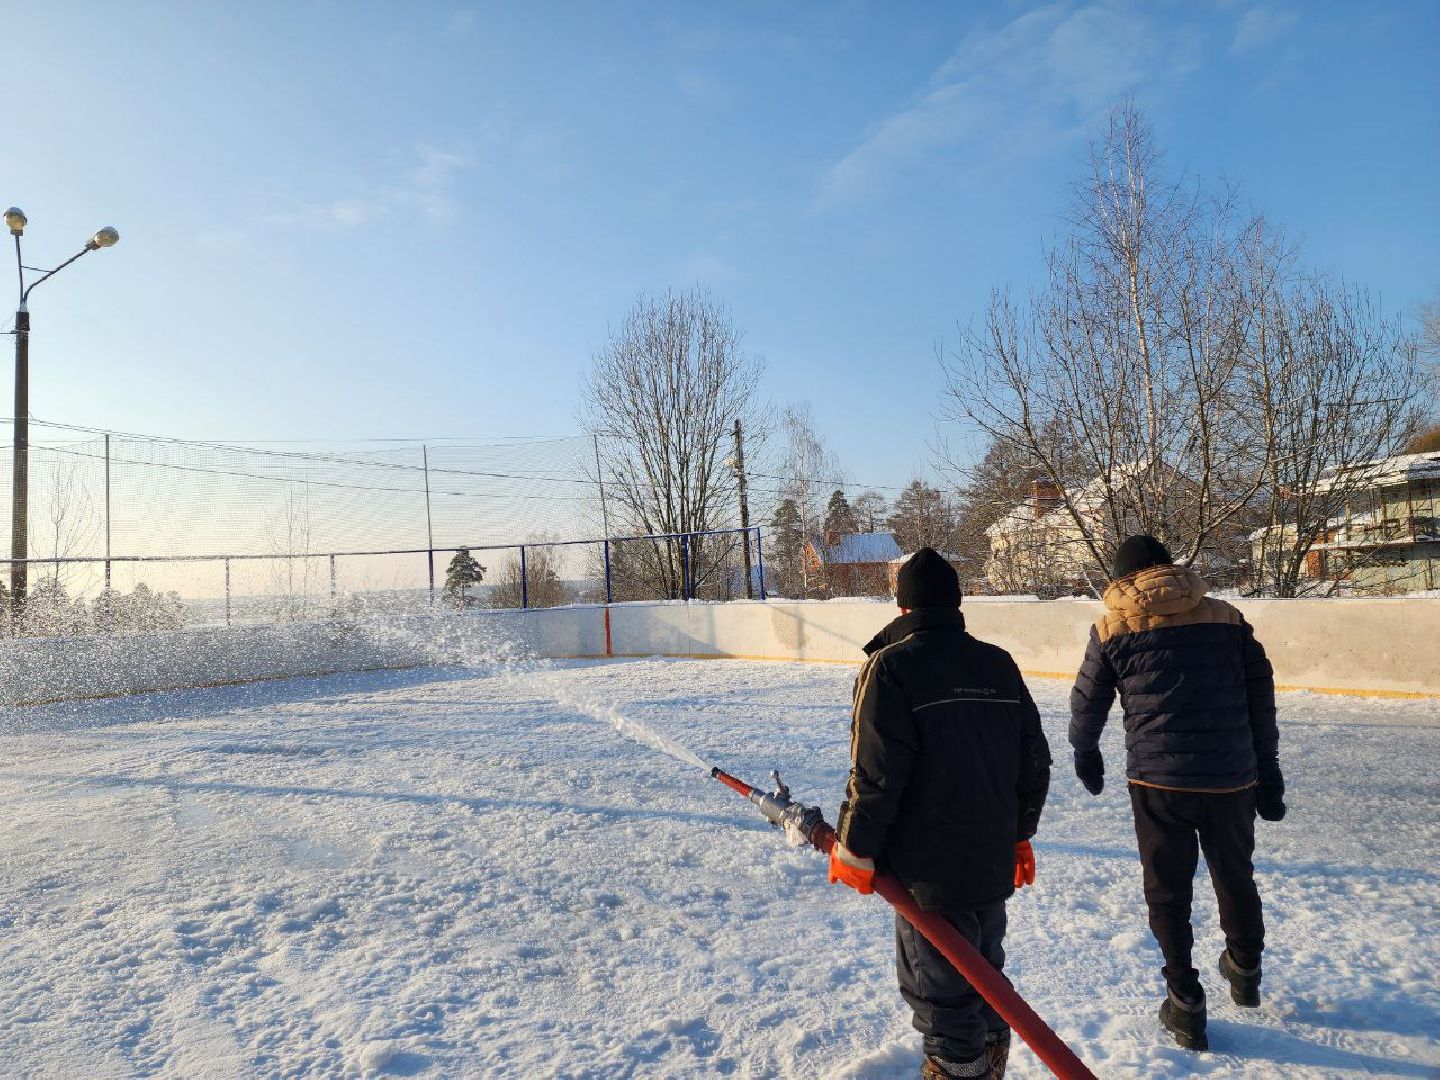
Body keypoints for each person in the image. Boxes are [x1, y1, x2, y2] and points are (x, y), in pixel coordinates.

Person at [829, 547, 1051, 1079]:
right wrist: (1019, 835)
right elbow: (1034, 760)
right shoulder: (996, 662)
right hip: (990, 856)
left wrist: (855, 847)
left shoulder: (891, 667)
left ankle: (961, 1068)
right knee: (984, 969)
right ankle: (990, 1057)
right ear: (956, 604)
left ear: (903, 608)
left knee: (938, 984)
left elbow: (877, 775)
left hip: (925, 871)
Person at [1069, 535, 1284, 1052]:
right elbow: (1261, 697)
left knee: (1167, 888)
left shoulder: (1112, 627)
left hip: (1157, 780)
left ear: (1122, 579)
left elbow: (1087, 699)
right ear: (1169, 567)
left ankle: (1184, 996)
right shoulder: (1227, 619)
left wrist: (1085, 751)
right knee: (1234, 873)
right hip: (1232, 775)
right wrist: (1268, 769)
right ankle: (1245, 966)